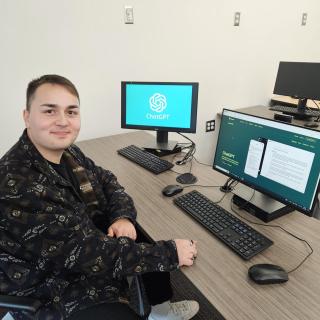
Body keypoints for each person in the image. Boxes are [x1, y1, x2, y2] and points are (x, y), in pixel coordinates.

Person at [0, 75, 199, 320]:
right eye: (50, 111)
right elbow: (85, 253)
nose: (63, 121)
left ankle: (161, 312)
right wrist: (169, 253)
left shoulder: (67, 151)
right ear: (27, 116)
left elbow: (106, 180)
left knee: (139, 234)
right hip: (52, 289)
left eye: (71, 112)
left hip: (80, 253)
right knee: (152, 252)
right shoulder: (17, 184)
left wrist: (123, 216)